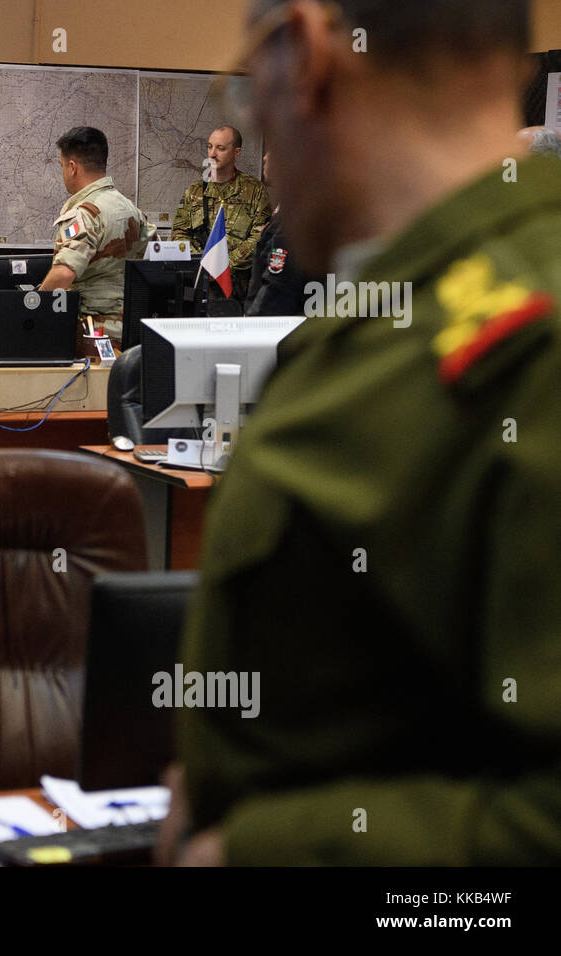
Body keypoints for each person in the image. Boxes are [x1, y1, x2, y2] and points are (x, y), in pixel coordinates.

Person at [158, 0, 561, 866]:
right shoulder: (403, 306)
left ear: (303, 55)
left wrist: (255, 848)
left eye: (245, 86)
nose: (253, 126)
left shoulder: (528, 345)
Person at [37, 126, 149, 345]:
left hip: (91, 334)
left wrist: (33, 305)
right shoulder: (132, 210)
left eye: (61, 166)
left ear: (72, 167)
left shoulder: (84, 214)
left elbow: (64, 273)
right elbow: (155, 261)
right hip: (131, 332)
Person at [170, 125, 271, 303]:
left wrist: (223, 266)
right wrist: (203, 265)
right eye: (209, 147)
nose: (212, 154)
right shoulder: (194, 191)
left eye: (220, 148)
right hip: (198, 287)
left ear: (236, 152)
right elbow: (179, 234)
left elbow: (260, 238)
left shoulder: (254, 191)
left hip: (238, 290)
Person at [244, 151, 318, 316]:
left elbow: (278, 284)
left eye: (273, 151)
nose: (265, 157)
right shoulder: (288, 208)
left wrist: (251, 323)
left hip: (276, 326)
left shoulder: (295, 214)